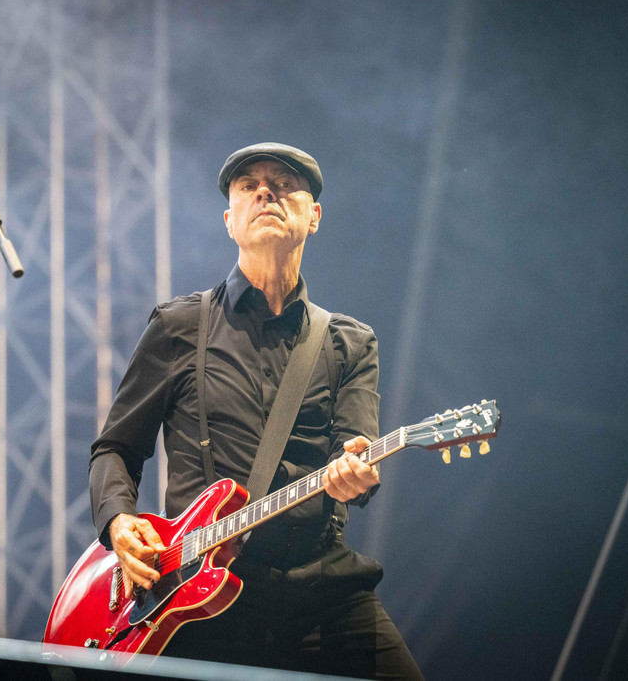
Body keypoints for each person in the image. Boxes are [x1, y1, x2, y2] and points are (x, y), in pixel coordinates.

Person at [88, 142, 423, 679]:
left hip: (321, 588)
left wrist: (355, 471)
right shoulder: (178, 327)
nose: (266, 192)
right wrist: (118, 521)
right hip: (197, 597)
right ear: (229, 221)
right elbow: (115, 448)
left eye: (285, 184)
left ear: (314, 217)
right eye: (249, 186)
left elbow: (357, 453)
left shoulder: (350, 342)